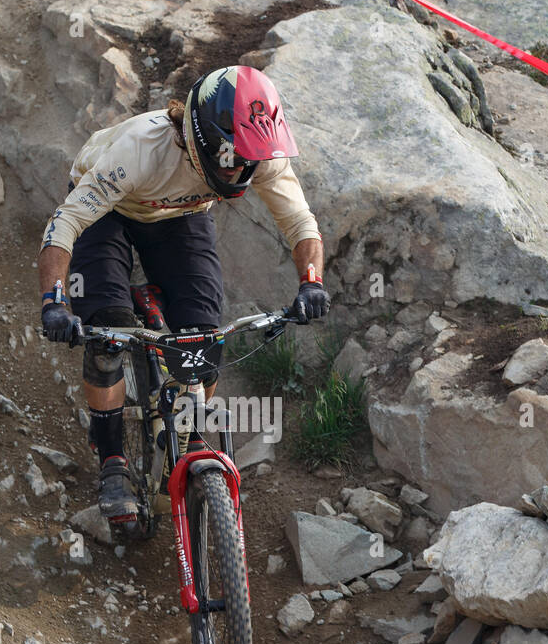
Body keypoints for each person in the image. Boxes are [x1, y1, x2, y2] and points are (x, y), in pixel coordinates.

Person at [37, 65, 329, 520]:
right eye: (231, 158)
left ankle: (188, 430)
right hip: (108, 211)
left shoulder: (259, 153)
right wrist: (53, 302)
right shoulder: (139, 151)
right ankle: (111, 458)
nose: (239, 172)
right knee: (107, 336)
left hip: (178, 217)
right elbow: (66, 223)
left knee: (204, 337)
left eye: (248, 161)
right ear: (200, 136)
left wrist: (312, 282)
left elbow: (300, 224)